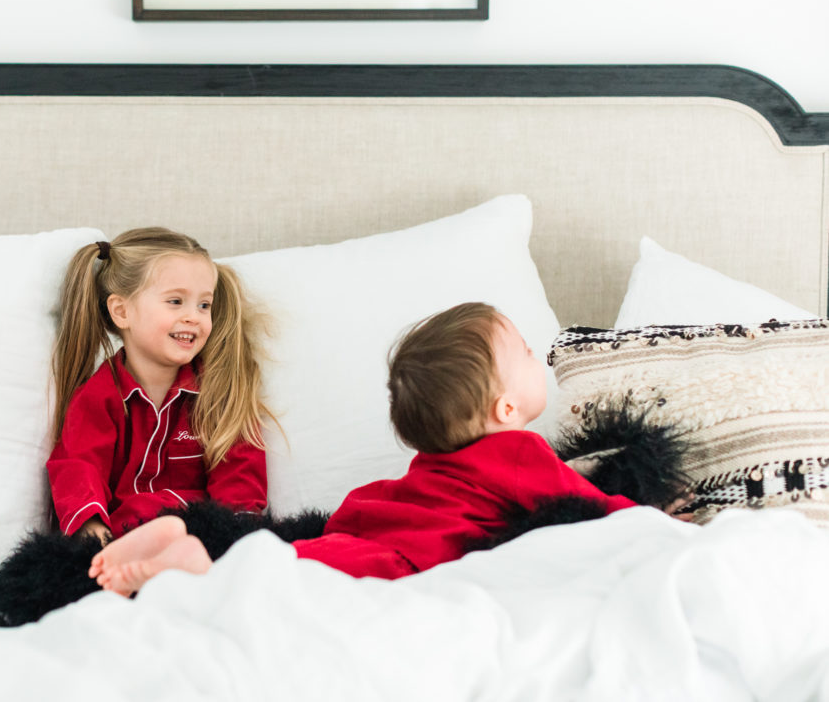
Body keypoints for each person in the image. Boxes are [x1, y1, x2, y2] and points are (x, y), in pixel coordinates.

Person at [89, 302, 640, 596]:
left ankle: (183, 552)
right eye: (523, 351)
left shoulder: (436, 462)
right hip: (400, 561)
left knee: (285, 565)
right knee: (283, 586)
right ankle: (191, 566)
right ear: (504, 409)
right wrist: (661, 521)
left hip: (365, 527)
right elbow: (597, 511)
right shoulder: (520, 453)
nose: (534, 354)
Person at [46, 227, 274, 544]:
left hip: (201, 537)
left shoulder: (220, 391)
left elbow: (240, 473)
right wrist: (91, 525)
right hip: (127, 540)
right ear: (122, 311)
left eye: (204, 305)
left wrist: (237, 536)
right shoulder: (99, 397)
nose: (193, 317)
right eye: (176, 301)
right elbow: (78, 466)